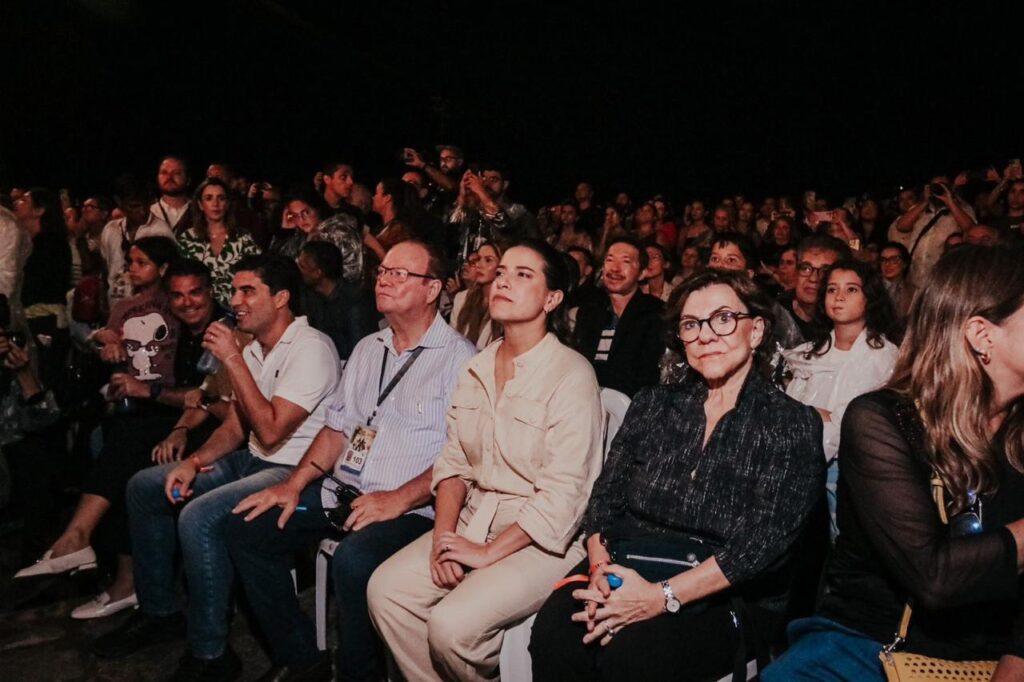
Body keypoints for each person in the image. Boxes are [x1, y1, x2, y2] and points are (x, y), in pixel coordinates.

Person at [530, 269, 825, 682]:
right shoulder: (653, 405)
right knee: (557, 636)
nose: (705, 335)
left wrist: (660, 597)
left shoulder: (791, 423)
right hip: (626, 563)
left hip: (724, 588)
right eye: (691, 324)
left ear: (755, 330)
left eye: (723, 318)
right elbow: (604, 501)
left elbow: (763, 547)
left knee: (636, 657)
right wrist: (602, 572)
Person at [763, 245, 1024, 680]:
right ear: (982, 335)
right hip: (872, 644)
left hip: (996, 649)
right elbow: (934, 576)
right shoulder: (882, 420)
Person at [226, 240, 477, 682]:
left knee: (355, 560)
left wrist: (397, 499)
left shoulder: (461, 360)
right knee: (248, 526)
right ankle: (302, 655)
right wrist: (293, 482)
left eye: (401, 274)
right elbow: (337, 429)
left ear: (432, 288)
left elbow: (461, 456)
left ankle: (360, 674)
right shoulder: (368, 348)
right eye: (383, 271)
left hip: (415, 507)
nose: (385, 279)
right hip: (343, 491)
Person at [93, 255, 340, 680]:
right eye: (235, 289)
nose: (236, 301)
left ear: (280, 298)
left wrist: (234, 360)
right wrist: (193, 461)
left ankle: (213, 654)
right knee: (145, 487)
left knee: (199, 517)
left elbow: (270, 426)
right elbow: (235, 425)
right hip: (254, 457)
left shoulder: (310, 348)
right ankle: (160, 611)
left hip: (292, 470)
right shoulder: (259, 347)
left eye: (248, 291)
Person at [368, 239, 604, 682]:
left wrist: (486, 553)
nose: (504, 282)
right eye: (502, 273)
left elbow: (564, 497)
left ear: (552, 299)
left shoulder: (571, 375)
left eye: (523, 274)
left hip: (542, 539)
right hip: (474, 518)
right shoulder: (475, 366)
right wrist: (443, 538)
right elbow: (453, 463)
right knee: (386, 592)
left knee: (451, 626)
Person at [15, 256, 224, 622]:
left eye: (195, 294)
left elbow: (208, 400)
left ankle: (87, 546)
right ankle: (102, 559)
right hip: (186, 421)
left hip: (222, 433)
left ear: (210, 292)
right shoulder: (180, 329)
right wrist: (104, 340)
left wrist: (155, 397)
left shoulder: (222, 330)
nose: (187, 302)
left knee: (130, 444)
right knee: (112, 436)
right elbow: (190, 395)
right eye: (178, 296)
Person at [782, 259, 899, 538]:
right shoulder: (810, 351)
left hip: (851, 473)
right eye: (832, 289)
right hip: (801, 465)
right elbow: (789, 412)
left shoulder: (883, 355)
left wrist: (813, 416)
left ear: (869, 298)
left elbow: (853, 422)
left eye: (852, 290)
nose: (839, 297)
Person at [571, 237, 664, 396]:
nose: (615, 268)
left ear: (642, 273)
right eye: (610, 260)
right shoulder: (589, 311)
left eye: (625, 261)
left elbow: (650, 373)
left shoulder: (656, 312)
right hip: (587, 400)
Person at [11, 187, 73, 388]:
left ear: (40, 210)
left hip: (46, 320)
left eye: (24, 201)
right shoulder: (27, 243)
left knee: (46, 378)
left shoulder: (51, 244)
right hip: (30, 317)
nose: (16, 203)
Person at [177, 178, 261, 308]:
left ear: (227, 204)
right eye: (209, 198)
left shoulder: (243, 238)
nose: (215, 204)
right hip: (197, 310)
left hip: (238, 309)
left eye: (221, 198)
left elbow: (258, 275)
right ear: (200, 204)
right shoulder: (187, 239)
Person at [296, 240, 377, 362]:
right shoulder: (310, 297)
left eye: (302, 266)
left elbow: (359, 352)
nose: (297, 270)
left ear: (318, 273)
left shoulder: (356, 303)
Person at [101, 177, 176, 307]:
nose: (142, 211)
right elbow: (105, 269)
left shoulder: (161, 232)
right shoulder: (110, 229)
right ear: (119, 202)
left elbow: (168, 276)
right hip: (115, 305)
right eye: (134, 206)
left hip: (148, 309)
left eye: (146, 205)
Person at [450, 241, 502, 349]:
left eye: (488, 260)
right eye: (478, 259)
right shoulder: (461, 299)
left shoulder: (506, 305)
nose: (479, 265)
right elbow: (451, 340)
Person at [151, 155, 192, 234]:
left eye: (177, 173)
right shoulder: (149, 212)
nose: (169, 177)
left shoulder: (199, 212)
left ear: (188, 180)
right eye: (164, 173)